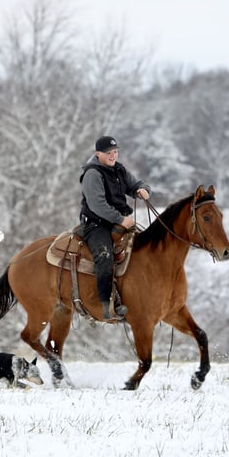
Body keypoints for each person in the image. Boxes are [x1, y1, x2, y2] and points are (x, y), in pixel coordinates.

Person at [79, 135, 151, 321]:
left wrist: (142, 190)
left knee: (146, 248)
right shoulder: (92, 174)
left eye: (115, 152)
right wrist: (121, 219)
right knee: (105, 256)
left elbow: (135, 183)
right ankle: (105, 304)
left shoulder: (119, 170)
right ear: (98, 154)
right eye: (109, 153)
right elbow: (97, 205)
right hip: (97, 224)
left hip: (120, 223)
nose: (113, 156)